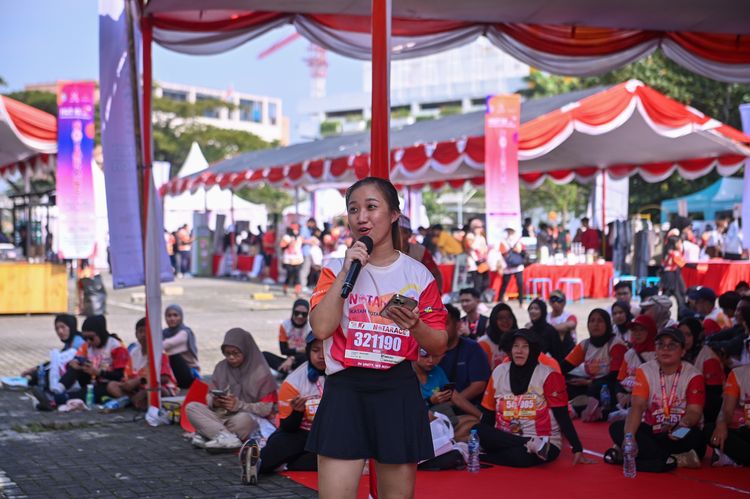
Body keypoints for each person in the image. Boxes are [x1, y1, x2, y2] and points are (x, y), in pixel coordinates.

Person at [306, 177, 448, 499]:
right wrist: (346, 271)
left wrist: (416, 326)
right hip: (345, 390)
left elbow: (438, 344)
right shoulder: (334, 268)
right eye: (353, 210)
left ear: (394, 214)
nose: (362, 217)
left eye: (371, 207)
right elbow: (321, 328)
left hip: (397, 390)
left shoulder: (417, 274)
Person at [475, 330, 588, 467]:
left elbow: (562, 415)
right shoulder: (499, 372)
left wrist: (577, 448)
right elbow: (488, 413)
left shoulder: (549, 375)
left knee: (520, 457)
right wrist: (486, 439)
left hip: (546, 441)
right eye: (516, 346)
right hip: (507, 437)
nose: (519, 351)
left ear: (533, 350)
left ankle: (482, 456)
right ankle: (529, 444)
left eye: (525, 346)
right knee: (478, 430)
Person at [607, 328, 706, 471]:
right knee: (617, 428)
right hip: (654, 430)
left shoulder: (694, 375)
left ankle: (641, 458)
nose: (665, 349)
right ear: (655, 350)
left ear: (683, 351)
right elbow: (637, 408)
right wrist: (630, 437)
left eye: (672, 345)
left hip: (680, 429)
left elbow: (694, 412)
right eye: (661, 345)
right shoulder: (645, 370)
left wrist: (681, 426)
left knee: (695, 436)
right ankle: (673, 460)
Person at [187, 328, 277, 452]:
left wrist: (239, 405)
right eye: (227, 353)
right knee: (192, 407)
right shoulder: (221, 367)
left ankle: (210, 434)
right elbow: (209, 395)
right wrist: (214, 401)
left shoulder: (261, 372)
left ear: (246, 350)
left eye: (236, 353)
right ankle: (226, 437)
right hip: (220, 415)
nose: (231, 357)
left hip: (241, 418)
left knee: (246, 421)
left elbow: (266, 409)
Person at [261, 333, 326, 473]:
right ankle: (256, 463)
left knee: (339, 452)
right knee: (279, 443)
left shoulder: (343, 375)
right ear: (308, 352)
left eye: (326, 349)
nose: (321, 356)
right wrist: (297, 412)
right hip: (304, 433)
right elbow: (287, 427)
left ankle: (288, 464)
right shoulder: (293, 382)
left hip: (333, 434)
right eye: (315, 350)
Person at [40, 316, 129, 409]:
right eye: (85, 338)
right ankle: (57, 389)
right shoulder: (87, 345)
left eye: (91, 338)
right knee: (74, 368)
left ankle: (58, 399)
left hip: (109, 384)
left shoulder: (116, 347)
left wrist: (98, 372)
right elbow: (76, 359)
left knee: (89, 391)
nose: (88, 341)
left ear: (100, 333)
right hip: (92, 379)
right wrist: (76, 364)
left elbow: (120, 375)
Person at [562, 309, 627, 421]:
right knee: (566, 382)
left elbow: (615, 375)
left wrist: (589, 382)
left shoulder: (616, 344)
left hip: (611, 385)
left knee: (597, 386)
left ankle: (582, 408)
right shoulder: (585, 344)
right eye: (592, 321)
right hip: (591, 384)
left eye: (600, 321)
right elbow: (564, 366)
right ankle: (581, 407)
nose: (595, 324)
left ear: (607, 324)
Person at [109, 318, 177, 410]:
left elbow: (164, 378)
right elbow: (129, 375)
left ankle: (135, 401)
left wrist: (140, 381)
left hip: (157, 387)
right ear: (136, 334)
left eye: (146, 332)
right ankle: (135, 400)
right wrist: (127, 384)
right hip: (138, 388)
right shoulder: (134, 352)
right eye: (140, 332)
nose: (143, 335)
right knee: (112, 385)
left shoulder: (159, 353)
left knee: (157, 391)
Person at [414, 347, 480, 441]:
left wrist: (482, 416)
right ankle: (449, 440)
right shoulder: (406, 375)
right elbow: (408, 409)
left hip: (443, 420)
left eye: (435, 356)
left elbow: (456, 398)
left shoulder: (437, 370)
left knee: (473, 421)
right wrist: (430, 401)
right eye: (425, 356)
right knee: (430, 415)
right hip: (420, 423)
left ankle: (450, 440)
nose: (431, 360)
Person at [438, 304, 491, 406]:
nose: (440, 328)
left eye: (445, 323)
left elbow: (479, 385)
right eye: (436, 323)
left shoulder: (472, 348)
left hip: (468, 407)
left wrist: (452, 404)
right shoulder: (427, 349)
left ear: (458, 324)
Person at [709, 339, 750, 466]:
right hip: (745, 430)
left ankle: (734, 457)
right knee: (709, 430)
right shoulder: (738, 374)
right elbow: (726, 410)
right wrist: (721, 423)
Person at [678, 317, 724, 424]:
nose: (683, 339)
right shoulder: (679, 353)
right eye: (680, 334)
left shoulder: (708, 359)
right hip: (679, 412)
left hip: (700, 417)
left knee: (681, 432)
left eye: (688, 335)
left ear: (697, 336)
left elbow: (713, 399)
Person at [615, 315, 657, 409]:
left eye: (642, 330)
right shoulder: (630, 353)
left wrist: (633, 397)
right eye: (634, 330)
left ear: (650, 331)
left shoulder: (657, 355)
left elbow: (656, 384)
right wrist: (619, 394)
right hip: (627, 400)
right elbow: (620, 379)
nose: (637, 333)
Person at [263, 299, 312, 375]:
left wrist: (293, 358)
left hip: (303, 360)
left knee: (309, 358)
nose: (300, 316)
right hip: (287, 361)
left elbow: (310, 351)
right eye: (297, 313)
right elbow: (283, 350)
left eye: (304, 314)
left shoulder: (311, 327)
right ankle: (289, 371)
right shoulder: (285, 325)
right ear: (293, 312)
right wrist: (299, 350)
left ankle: (288, 372)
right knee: (264, 355)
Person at [399, 215, 443, 292]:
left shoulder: (420, 251)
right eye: (396, 232)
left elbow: (435, 274)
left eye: (403, 232)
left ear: (410, 234)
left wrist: (437, 293)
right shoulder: (382, 252)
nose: (399, 236)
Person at [162, 304, 200, 389]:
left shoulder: (184, 333)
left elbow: (165, 345)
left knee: (172, 356)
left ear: (181, 317)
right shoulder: (164, 332)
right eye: (169, 316)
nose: (172, 318)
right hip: (175, 374)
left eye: (175, 315)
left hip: (189, 375)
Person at [526, 298, 569, 364]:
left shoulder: (550, 331)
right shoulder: (529, 330)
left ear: (542, 311)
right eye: (531, 308)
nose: (532, 311)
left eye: (536, 309)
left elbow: (557, 354)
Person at [479, 303, 517, 369]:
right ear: (494, 320)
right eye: (501, 318)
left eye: (509, 317)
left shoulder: (519, 339)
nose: (505, 321)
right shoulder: (484, 342)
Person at [497, 227, 525, 306]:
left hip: (517, 265)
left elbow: (520, 250)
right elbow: (502, 252)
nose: (510, 233)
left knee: (520, 283)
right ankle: (500, 300)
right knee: (505, 283)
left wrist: (516, 248)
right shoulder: (503, 241)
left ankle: (521, 301)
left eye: (511, 231)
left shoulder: (518, 241)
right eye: (508, 231)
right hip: (507, 265)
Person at [464, 218, 490, 299]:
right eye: (477, 227)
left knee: (486, 282)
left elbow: (484, 249)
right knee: (477, 284)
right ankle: (476, 300)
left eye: (481, 227)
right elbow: (471, 247)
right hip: (474, 263)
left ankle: (476, 298)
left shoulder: (482, 238)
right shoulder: (470, 236)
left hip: (483, 262)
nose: (480, 229)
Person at [661, 236, 687, 310]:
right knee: (678, 293)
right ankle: (682, 311)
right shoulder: (675, 253)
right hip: (672, 274)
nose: (680, 244)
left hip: (666, 274)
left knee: (668, 293)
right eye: (679, 242)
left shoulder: (666, 252)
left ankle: (661, 308)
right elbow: (682, 264)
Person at [281, 224, 304, 296]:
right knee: (289, 275)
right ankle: (285, 287)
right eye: (295, 229)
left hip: (298, 259)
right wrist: (288, 243)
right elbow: (282, 246)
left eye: (297, 229)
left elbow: (303, 243)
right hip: (289, 259)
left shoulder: (299, 237)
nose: (296, 231)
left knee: (297, 275)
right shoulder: (287, 237)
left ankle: (297, 291)